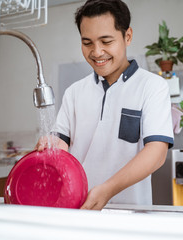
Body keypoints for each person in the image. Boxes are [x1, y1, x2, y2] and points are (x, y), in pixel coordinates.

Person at [35, 0, 174, 210]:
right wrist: (51, 143)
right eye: (87, 42)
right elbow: (61, 143)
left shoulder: (152, 86)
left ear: (127, 36)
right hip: (78, 208)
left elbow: (156, 153)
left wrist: (107, 190)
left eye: (106, 41)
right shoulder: (74, 92)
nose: (97, 52)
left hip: (131, 213)